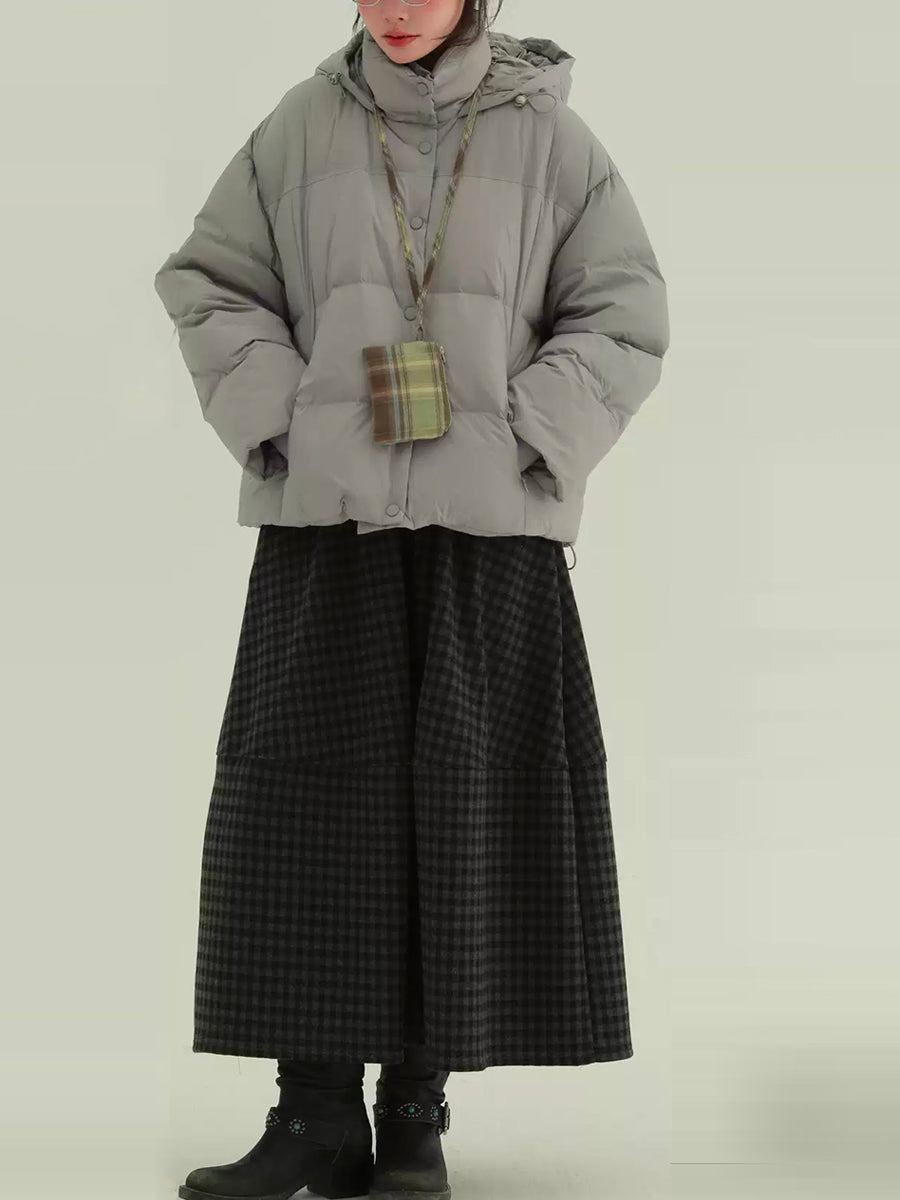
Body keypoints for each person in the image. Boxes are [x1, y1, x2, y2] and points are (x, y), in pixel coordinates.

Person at [154, 2, 669, 1197]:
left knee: (460, 812)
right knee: (308, 820)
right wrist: (288, 421)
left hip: (490, 537)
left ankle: (415, 1117)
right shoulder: (300, 124)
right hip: (328, 529)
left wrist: (526, 435)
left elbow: (625, 314)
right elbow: (208, 280)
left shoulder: (554, 139)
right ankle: (314, 1116)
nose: (395, 7)